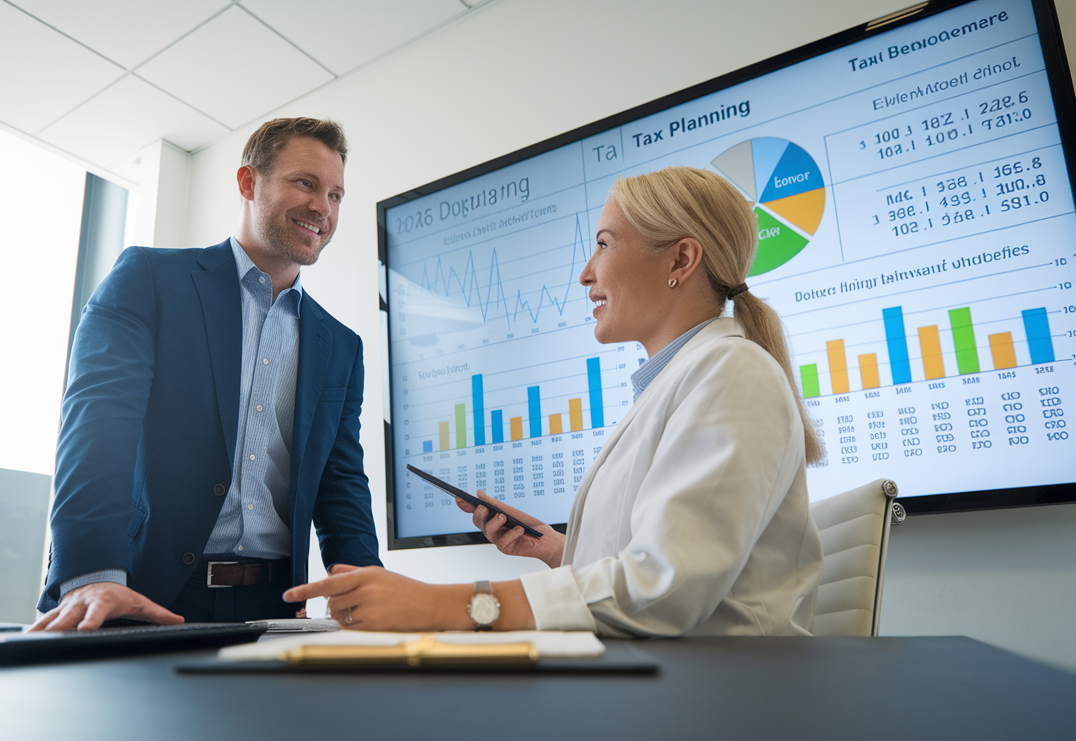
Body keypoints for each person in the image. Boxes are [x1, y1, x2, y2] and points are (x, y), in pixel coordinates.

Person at [286, 166, 825, 637]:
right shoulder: (685, 379)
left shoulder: (734, 373)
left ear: (681, 259)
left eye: (606, 244)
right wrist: (556, 551)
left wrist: (437, 603)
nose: (587, 272)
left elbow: (666, 590)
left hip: (714, 710)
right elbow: (665, 568)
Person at [31, 118, 382, 632]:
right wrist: (91, 575)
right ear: (248, 183)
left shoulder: (341, 347)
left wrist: (367, 580)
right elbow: (96, 431)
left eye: (335, 195)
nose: (322, 209)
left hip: (276, 607)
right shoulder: (149, 281)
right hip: (141, 594)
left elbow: (340, 481)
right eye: (305, 184)